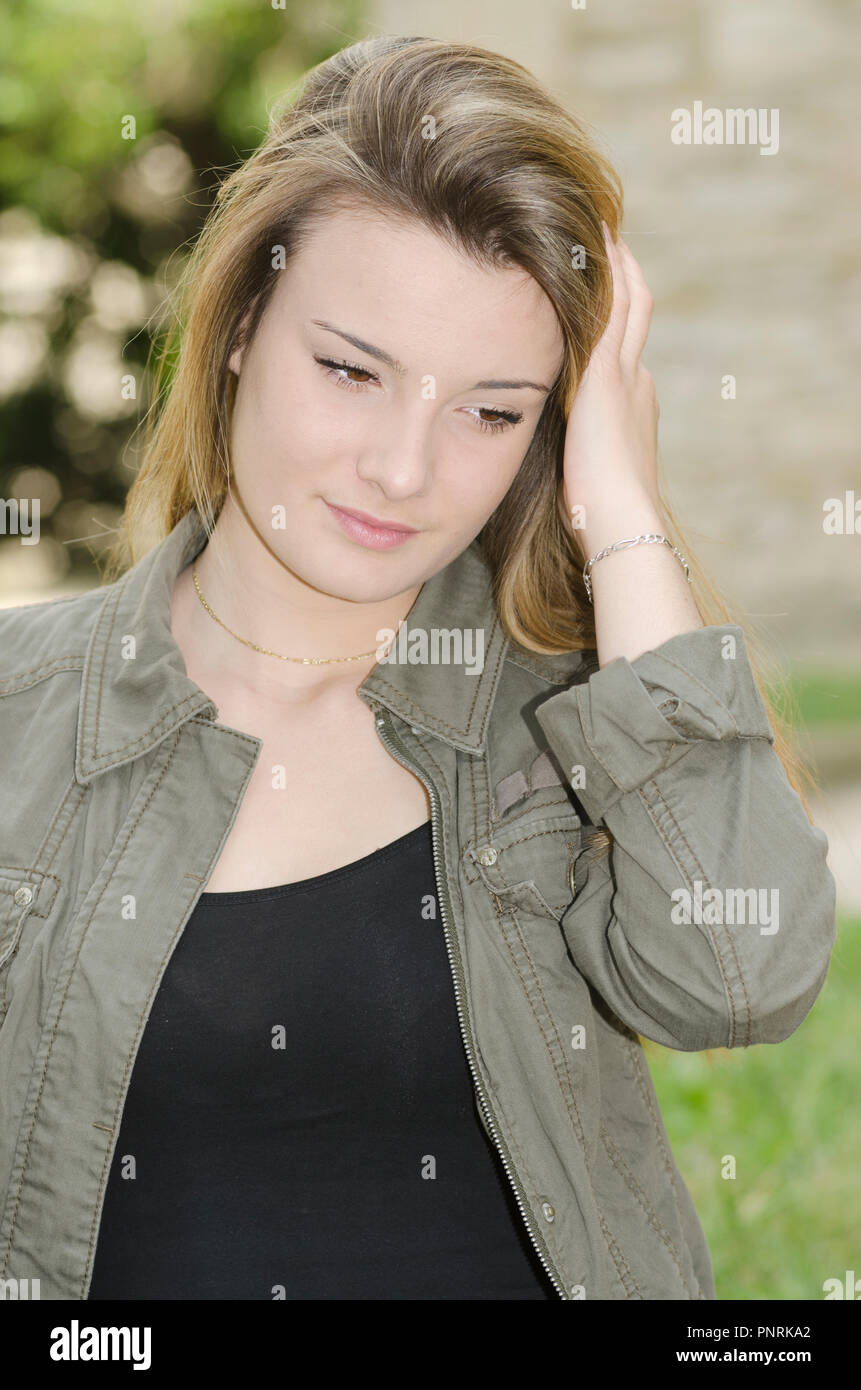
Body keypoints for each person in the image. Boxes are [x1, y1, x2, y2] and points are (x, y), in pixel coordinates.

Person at [0, 35, 836, 1301]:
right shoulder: (19, 712)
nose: (404, 469)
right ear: (237, 333)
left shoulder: (565, 719)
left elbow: (737, 979)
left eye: (491, 410)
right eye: (350, 370)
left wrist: (619, 511)